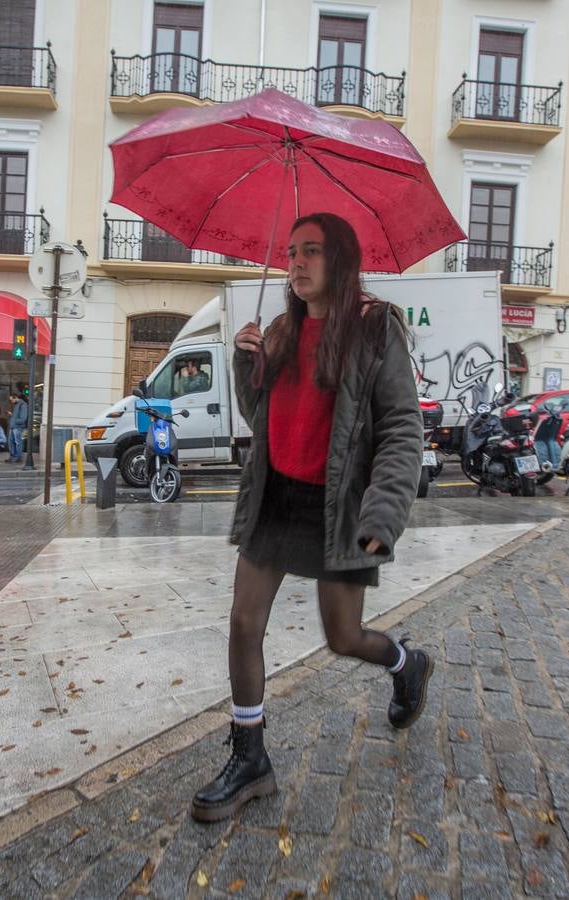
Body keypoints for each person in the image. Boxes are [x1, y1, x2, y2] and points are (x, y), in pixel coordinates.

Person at [189, 213, 429, 823]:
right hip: (275, 498)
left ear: (340, 259)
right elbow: (262, 418)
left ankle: (407, 664)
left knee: (343, 637)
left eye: (311, 251)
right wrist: (246, 364)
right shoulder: (279, 329)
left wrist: (384, 512)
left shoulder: (375, 328)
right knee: (244, 622)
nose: (296, 262)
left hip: (340, 507)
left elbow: (402, 427)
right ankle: (250, 759)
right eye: (292, 251)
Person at [8, 391, 29, 462]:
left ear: (16, 398)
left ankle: (18, 457)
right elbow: (18, 416)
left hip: (17, 427)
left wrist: (14, 420)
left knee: (17, 442)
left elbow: (23, 419)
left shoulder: (23, 405)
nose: (11, 401)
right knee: (11, 442)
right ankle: (13, 456)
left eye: (11, 400)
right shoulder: (17, 405)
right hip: (13, 426)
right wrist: (12, 415)